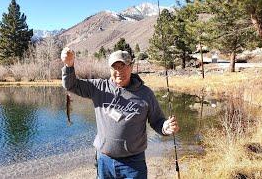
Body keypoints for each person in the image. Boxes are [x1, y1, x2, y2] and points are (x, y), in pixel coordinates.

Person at [61, 47, 179, 179]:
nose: (119, 71)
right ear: (110, 69)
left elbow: (157, 121)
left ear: (131, 67)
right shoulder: (99, 88)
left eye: (123, 66)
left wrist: (165, 127)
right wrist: (69, 65)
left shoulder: (145, 94)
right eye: (114, 67)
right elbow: (70, 85)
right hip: (104, 160)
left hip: (134, 163)